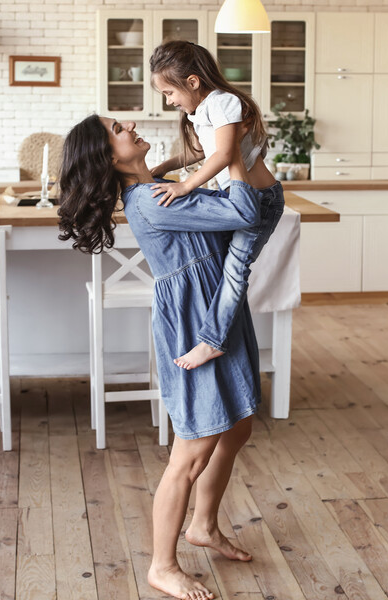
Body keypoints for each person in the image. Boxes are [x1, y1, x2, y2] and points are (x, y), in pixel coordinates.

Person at [58, 115, 271, 600]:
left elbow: (205, 195)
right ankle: (162, 565)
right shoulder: (152, 202)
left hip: (219, 308)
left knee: (237, 426)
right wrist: (232, 151)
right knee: (192, 449)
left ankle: (204, 525)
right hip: (198, 322)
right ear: (110, 157)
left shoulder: (161, 188)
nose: (129, 123)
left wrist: (193, 160)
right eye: (117, 128)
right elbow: (242, 213)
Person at [148, 40, 284, 371]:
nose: (169, 102)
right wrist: (164, 168)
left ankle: (213, 342)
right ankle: (218, 331)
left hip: (259, 201)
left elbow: (224, 156)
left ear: (192, 82)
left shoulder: (223, 102)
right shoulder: (205, 109)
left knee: (235, 270)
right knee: (218, 267)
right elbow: (203, 153)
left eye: (170, 93)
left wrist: (185, 186)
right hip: (238, 199)